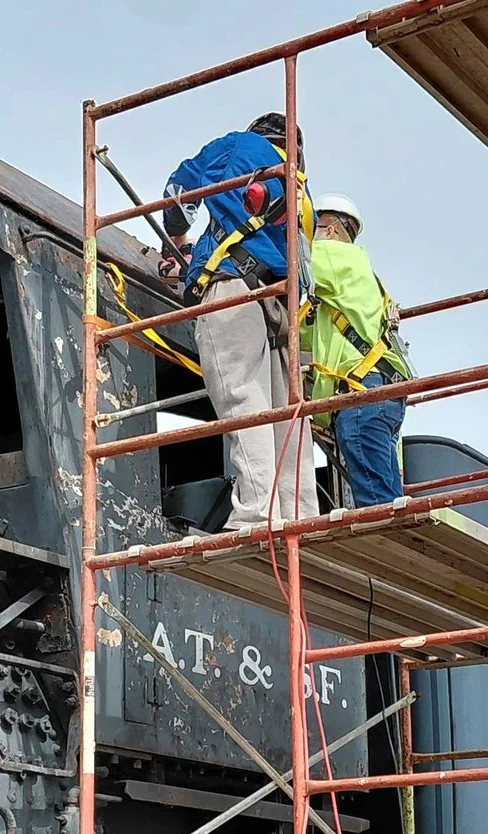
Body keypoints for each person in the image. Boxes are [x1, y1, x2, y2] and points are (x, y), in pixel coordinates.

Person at [160, 113, 313, 531]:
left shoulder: (240, 147)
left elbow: (178, 191)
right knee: (287, 413)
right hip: (281, 307)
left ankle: (256, 515)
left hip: (234, 290)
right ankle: (298, 514)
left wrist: (174, 241)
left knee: (240, 395)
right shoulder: (298, 187)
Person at [298, 193, 410, 509]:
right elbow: (308, 336)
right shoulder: (350, 282)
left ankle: (386, 544)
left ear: (329, 230)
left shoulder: (332, 255)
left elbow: (287, 266)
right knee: (387, 497)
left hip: (363, 393)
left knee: (376, 506)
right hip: (383, 391)